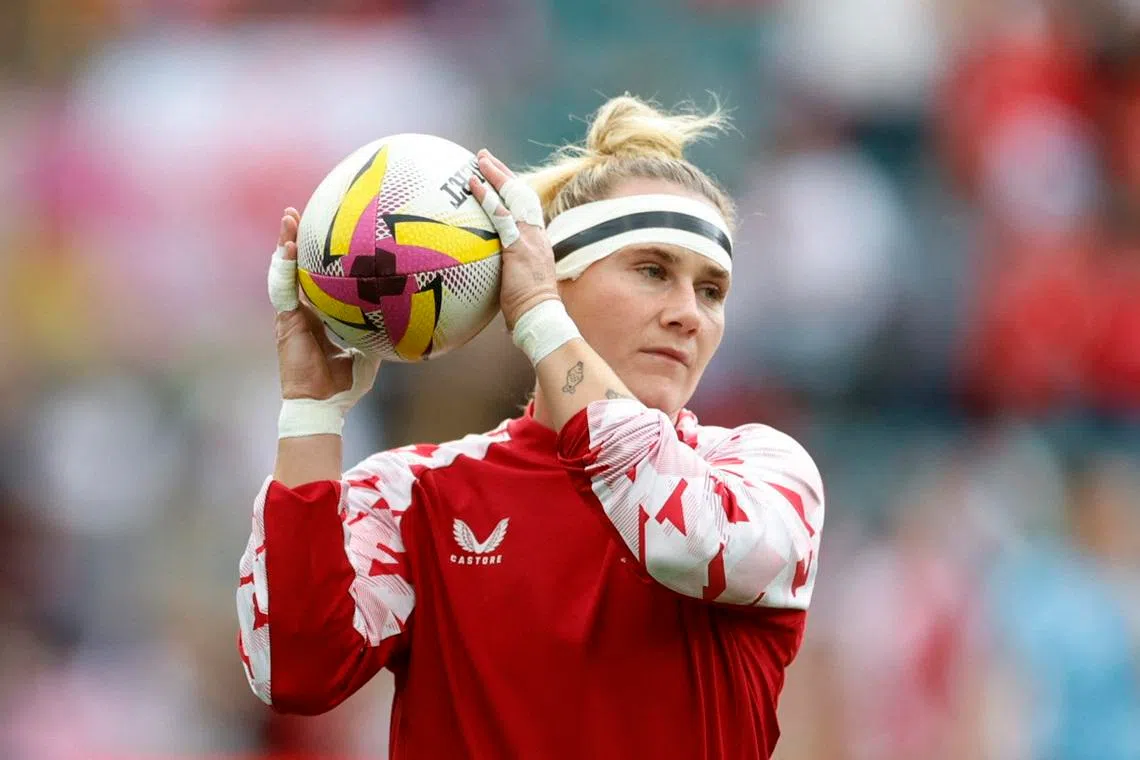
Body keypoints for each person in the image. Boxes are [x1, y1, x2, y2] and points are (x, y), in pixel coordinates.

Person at [237, 95, 825, 759]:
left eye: (712, 290)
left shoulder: (763, 475)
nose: (689, 313)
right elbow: (293, 670)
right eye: (653, 272)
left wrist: (544, 323)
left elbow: (677, 535)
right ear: (549, 277)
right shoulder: (416, 494)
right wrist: (311, 412)